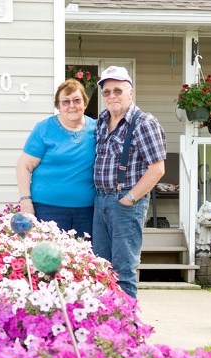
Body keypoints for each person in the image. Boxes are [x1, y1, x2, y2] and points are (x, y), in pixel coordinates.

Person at [93, 66, 166, 298]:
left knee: (124, 270)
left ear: (130, 92)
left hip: (125, 202)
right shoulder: (101, 122)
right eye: (106, 92)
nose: (112, 96)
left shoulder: (144, 122)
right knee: (102, 268)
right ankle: (108, 326)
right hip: (100, 200)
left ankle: (128, 329)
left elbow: (157, 168)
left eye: (118, 90)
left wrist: (129, 199)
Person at [16, 79, 96, 238]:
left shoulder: (97, 129)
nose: (71, 105)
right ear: (58, 106)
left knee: (84, 260)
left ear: (85, 103)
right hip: (48, 208)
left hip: (88, 211)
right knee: (50, 260)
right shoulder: (44, 129)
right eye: (65, 102)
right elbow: (24, 166)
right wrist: (25, 200)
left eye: (77, 100)